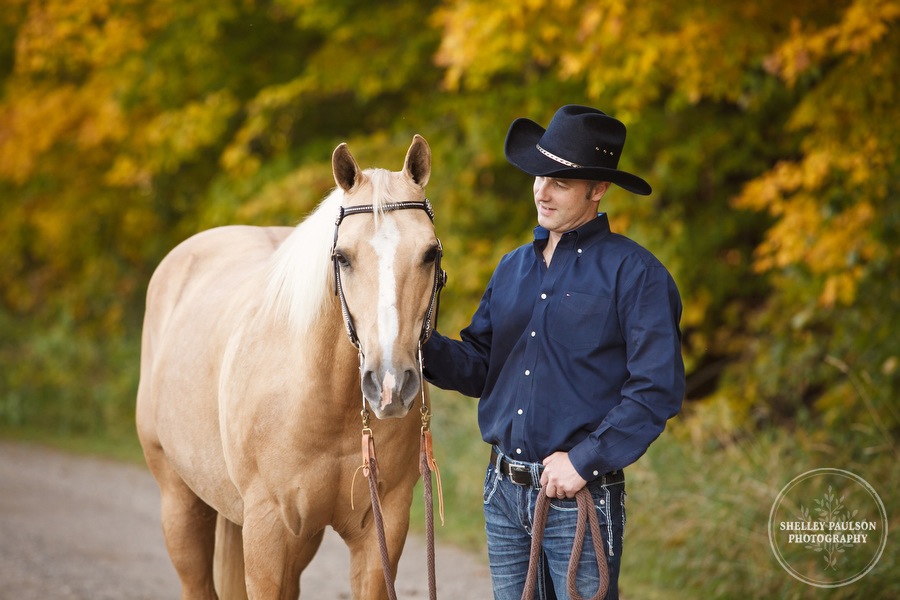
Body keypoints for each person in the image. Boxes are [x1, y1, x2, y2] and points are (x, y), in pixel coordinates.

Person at [422, 105, 685, 599]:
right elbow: (481, 368)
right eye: (540, 175)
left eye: (561, 181)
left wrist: (586, 458)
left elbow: (656, 391)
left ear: (598, 189)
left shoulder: (638, 275)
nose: (542, 190)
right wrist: (417, 345)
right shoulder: (511, 268)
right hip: (502, 492)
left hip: (580, 495)